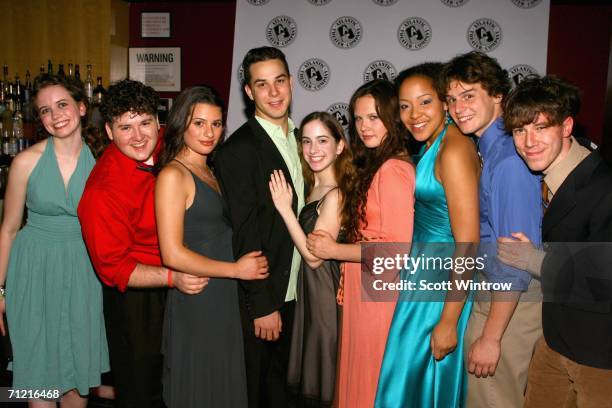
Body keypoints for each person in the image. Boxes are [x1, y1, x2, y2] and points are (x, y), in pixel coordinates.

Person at [78, 79, 208, 408]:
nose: (138, 137)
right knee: (142, 386)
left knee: (187, 379)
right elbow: (114, 270)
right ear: (109, 131)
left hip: (185, 274)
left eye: (145, 123)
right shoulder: (101, 192)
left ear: (157, 121)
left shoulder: (172, 145)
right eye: (125, 127)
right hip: (139, 296)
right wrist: (172, 277)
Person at [498, 75, 612, 407]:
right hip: (555, 342)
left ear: (566, 127)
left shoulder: (602, 187)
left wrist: (531, 260)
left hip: (599, 355)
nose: (528, 141)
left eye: (540, 128)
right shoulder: (551, 177)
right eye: (520, 131)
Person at [155, 85, 269, 407]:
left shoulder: (208, 168)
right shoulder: (173, 176)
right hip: (200, 297)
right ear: (181, 124)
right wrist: (235, 270)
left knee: (222, 384)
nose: (209, 133)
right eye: (199, 123)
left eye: (216, 124)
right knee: (201, 385)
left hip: (221, 295)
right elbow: (171, 253)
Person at [0, 73, 109, 407]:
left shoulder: (103, 164)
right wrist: (0, 290)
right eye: (45, 110)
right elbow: (8, 229)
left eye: (62, 104)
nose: (55, 115)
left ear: (80, 107)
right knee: (39, 381)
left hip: (84, 273)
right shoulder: (25, 162)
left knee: (77, 383)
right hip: (33, 273)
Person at [376, 63, 480, 407]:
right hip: (422, 280)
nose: (413, 114)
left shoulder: (453, 149)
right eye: (405, 106)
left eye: (424, 102)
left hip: (440, 289)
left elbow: (468, 244)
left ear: (445, 103)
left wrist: (449, 320)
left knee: (408, 386)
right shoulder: (435, 143)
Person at [442, 51, 542, 407]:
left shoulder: (509, 160)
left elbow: (516, 260)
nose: (458, 107)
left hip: (509, 308)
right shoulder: (490, 149)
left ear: (498, 94)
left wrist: (492, 337)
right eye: (452, 99)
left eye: (469, 95)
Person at [307, 79, 415, 408]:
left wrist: (334, 251)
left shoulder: (393, 169)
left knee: (369, 387)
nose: (365, 126)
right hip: (365, 290)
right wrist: (347, 272)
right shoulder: (378, 165)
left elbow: (397, 251)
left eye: (374, 117)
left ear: (393, 118)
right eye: (358, 118)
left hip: (378, 299)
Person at [214, 46, 304, 408]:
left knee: (287, 393)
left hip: (299, 292)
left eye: (280, 81)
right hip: (269, 298)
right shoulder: (239, 150)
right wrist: (263, 305)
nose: (274, 92)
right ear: (249, 92)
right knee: (260, 394)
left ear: (291, 83)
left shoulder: (303, 139)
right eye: (262, 84)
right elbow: (245, 231)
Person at [268, 111, 354, 407]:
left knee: (325, 380)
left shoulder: (335, 195)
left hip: (325, 298)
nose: (313, 150)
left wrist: (285, 209)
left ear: (339, 146)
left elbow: (314, 258)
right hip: (310, 295)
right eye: (306, 141)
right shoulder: (311, 187)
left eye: (322, 141)